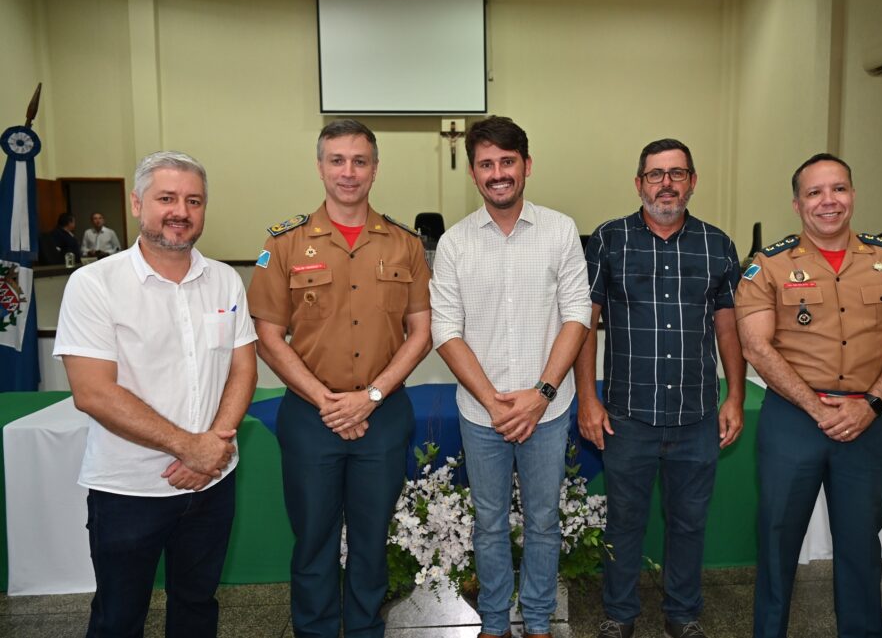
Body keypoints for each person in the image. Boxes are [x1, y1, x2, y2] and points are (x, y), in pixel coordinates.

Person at [53, 151, 258, 638]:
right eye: (167, 198)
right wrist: (190, 446)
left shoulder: (225, 279)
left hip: (211, 486)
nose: (180, 211)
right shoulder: (94, 285)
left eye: (193, 200)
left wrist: (211, 448)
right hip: (128, 491)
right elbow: (94, 393)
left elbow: (242, 368)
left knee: (196, 607)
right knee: (119, 617)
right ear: (137, 202)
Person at [247, 119, 432, 638]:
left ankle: (367, 630)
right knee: (314, 541)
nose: (348, 172)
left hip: (384, 414)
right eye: (337, 160)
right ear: (320, 166)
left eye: (359, 161)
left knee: (373, 540)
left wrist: (369, 398)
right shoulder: (281, 244)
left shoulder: (404, 244)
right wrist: (328, 400)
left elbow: (421, 332)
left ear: (374, 168)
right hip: (310, 416)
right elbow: (268, 335)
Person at [734, 153, 882, 638]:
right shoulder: (769, 266)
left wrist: (872, 405)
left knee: (861, 546)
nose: (829, 201)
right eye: (816, 192)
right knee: (778, 543)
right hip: (792, 421)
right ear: (798, 203)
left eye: (838, 189)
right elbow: (755, 345)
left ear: (853, 195)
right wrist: (812, 405)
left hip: (866, 418)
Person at [574, 139, 745, 638]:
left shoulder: (718, 244)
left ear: (692, 181)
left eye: (676, 173)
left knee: (690, 522)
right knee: (624, 522)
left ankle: (683, 614)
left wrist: (734, 394)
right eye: (655, 174)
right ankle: (619, 614)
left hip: (696, 416)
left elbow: (728, 327)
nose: (666, 183)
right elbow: (585, 323)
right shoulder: (609, 239)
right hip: (628, 415)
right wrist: (588, 397)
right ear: (639, 183)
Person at [430, 116, 591, 638]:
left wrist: (541, 395)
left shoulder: (561, 230)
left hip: (549, 408)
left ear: (526, 166)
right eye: (486, 164)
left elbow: (577, 316)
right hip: (482, 414)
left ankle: (539, 621)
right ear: (474, 174)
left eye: (507, 162)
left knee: (544, 522)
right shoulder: (454, 244)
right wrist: (495, 402)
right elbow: (446, 331)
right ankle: (495, 624)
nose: (498, 173)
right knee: (490, 524)